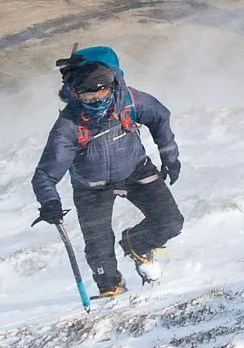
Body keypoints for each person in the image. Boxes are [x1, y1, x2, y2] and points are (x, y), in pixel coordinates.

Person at [31, 45, 182, 297]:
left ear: (111, 87)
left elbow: (159, 117)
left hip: (136, 170)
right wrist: (50, 203)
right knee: (99, 248)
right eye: (87, 96)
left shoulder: (130, 101)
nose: (96, 101)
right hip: (91, 187)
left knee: (170, 222)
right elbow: (45, 175)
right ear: (75, 94)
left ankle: (137, 243)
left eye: (101, 93)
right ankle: (110, 289)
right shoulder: (68, 126)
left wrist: (170, 157)